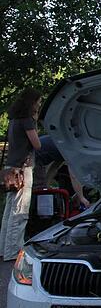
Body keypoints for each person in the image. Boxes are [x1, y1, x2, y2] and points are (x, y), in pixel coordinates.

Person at [1, 88, 42, 261]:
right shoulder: (26, 121)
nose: (39, 104)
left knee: (9, 211)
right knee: (20, 212)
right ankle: (13, 252)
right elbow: (37, 144)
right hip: (22, 170)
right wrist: (36, 123)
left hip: (11, 168)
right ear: (31, 102)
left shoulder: (13, 121)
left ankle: (3, 248)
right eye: (38, 101)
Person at [33, 135, 91, 209]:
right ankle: (37, 214)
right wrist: (81, 197)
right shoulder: (72, 149)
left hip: (36, 155)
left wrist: (47, 184)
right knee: (40, 191)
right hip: (33, 155)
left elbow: (55, 167)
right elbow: (74, 176)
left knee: (43, 189)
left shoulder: (64, 146)